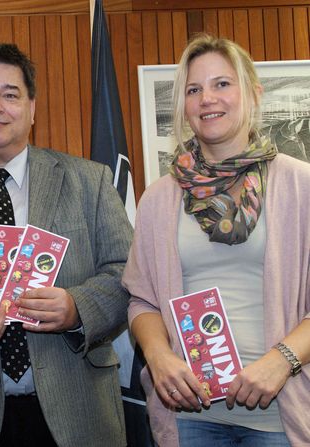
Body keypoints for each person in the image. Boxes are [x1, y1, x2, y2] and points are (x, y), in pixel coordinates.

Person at [0, 43, 133, 447]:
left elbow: (127, 273)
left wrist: (77, 308)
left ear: (32, 108)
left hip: (76, 411)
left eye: (10, 94)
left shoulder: (90, 181)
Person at [122, 33, 310, 446]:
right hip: (189, 416)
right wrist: (158, 356)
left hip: (282, 413)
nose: (207, 98)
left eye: (222, 84)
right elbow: (142, 300)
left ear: (253, 93)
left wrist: (284, 360)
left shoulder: (300, 185)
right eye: (194, 89)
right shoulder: (158, 198)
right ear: (184, 107)